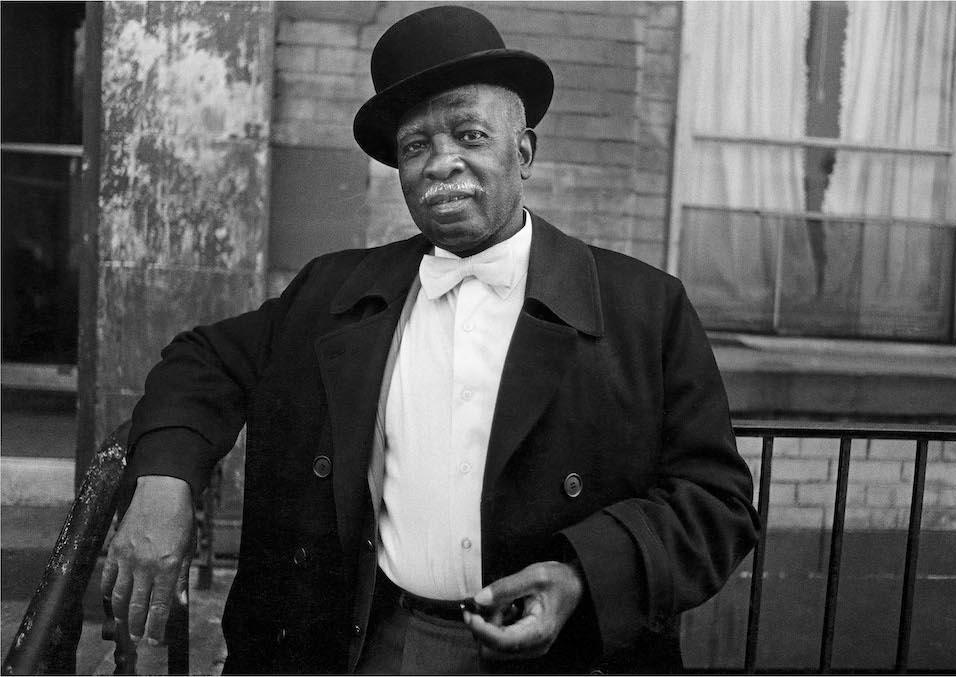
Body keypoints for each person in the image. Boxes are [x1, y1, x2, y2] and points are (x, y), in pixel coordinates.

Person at [101, 5, 759, 674]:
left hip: (567, 654)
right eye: (417, 145)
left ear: (523, 151)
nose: (442, 163)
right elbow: (204, 359)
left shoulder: (644, 308)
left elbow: (718, 502)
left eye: (470, 135)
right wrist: (164, 477)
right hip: (377, 641)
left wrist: (584, 575)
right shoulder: (334, 291)